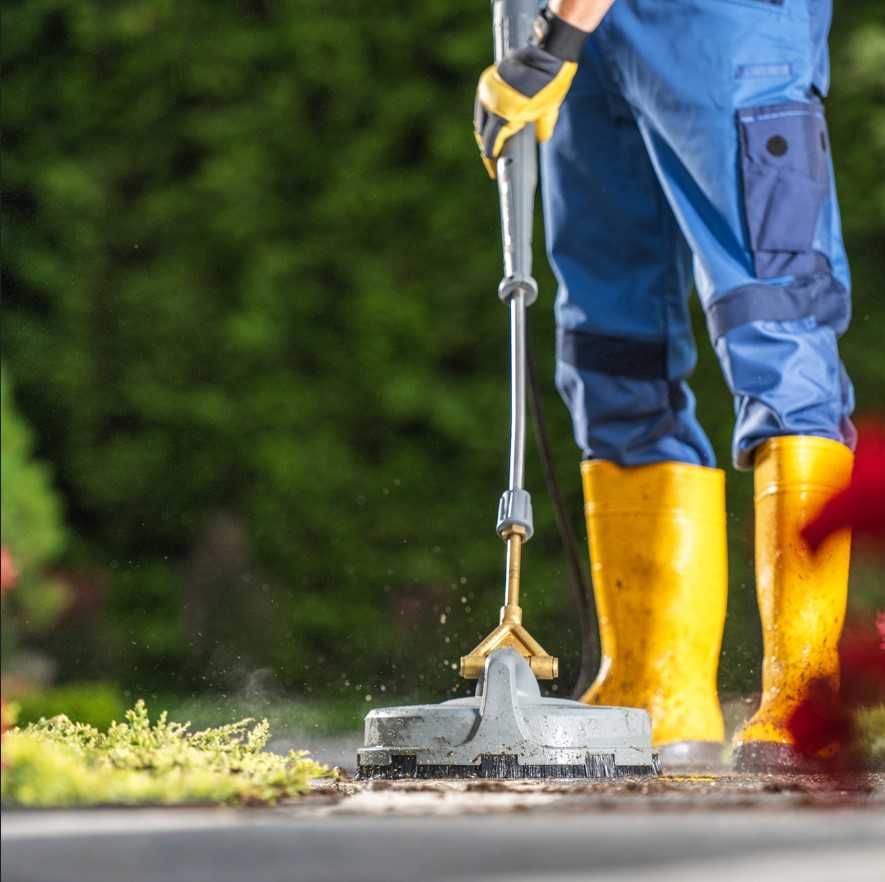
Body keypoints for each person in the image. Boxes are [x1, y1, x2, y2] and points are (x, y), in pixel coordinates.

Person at [474, 0, 856, 771]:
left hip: (722, 24)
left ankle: (803, 694)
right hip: (585, 40)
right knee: (612, 349)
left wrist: (554, 41)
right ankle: (657, 687)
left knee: (776, 323)